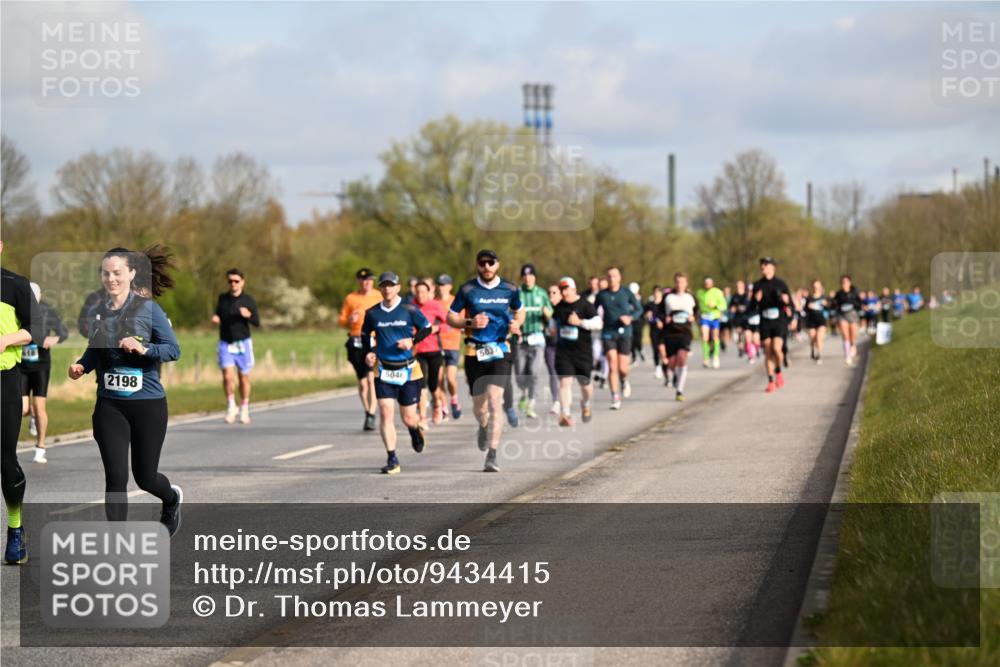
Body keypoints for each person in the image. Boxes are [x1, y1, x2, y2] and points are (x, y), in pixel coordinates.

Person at [68, 246, 183, 534]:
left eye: (117, 273)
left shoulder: (149, 309)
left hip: (148, 404)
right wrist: (82, 366)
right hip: (110, 405)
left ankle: (171, 499)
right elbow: (95, 350)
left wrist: (144, 349)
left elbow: (173, 350)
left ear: (131, 273)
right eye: (106, 273)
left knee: (145, 478)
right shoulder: (98, 311)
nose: (111, 279)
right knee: (116, 478)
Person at [446, 249, 524, 473]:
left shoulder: (510, 289)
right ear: (477, 265)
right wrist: (469, 322)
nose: (487, 267)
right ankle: (483, 425)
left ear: (498, 264)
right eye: (483, 263)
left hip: (500, 349)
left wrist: (516, 324)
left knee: (494, 400)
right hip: (475, 352)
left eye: (491, 263)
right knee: (480, 407)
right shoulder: (467, 289)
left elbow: (520, 311)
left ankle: (492, 454)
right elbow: (451, 316)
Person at [361, 272, 431, 475]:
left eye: (391, 285)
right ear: (379, 288)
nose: (387, 289)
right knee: (385, 412)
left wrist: (412, 341)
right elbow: (365, 334)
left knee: (408, 418)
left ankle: (414, 430)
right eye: (383, 285)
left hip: (408, 369)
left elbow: (427, 328)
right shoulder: (373, 313)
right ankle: (392, 458)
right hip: (383, 369)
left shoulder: (409, 309)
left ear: (398, 288)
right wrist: (369, 352)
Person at [1, 241, 34, 564]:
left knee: (5, 460)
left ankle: (15, 529)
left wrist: (5, 340)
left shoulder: (15, 284)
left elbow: (35, 328)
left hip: (4, 381)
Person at [21, 282, 69, 463]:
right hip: (21, 365)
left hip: (41, 365)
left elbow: (63, 333)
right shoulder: (19, 308)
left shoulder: (48, 310)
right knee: (22, 408)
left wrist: (52, 339)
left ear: (40, 296)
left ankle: (40, 447)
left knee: (40, 407)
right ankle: (31, 415)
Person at [212, 268, 260, 425]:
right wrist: (216, 318)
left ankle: (244, 407)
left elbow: (257, 322)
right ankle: (231, 406)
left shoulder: (248, 300)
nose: (233, 284)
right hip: (225, 342)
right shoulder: (223, 298)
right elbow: (219, 313)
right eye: (230, 281)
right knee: (227, 376)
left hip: (243, 343)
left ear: (242, 282)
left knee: (243, 377)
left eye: (236, 281)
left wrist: (248, 315)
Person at [551, 277, 601, 425]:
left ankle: (585, 403)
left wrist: (580, 322)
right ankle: (565, 414)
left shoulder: (585, 305)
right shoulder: (559, 307)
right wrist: (551, 329)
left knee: (585, 384)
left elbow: (598, 323)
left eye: (566, 289)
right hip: (564, 351)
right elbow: (553, 323)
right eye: (562, 290)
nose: (564, 293)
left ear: (574, 289)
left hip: (582, 351)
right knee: (564, 382)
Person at [339, 268, 382, 431]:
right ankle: (367, 410)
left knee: (371, 378)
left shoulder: (379, 296)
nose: (367, 283)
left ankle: (371, 414)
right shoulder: (351, 298)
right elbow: (341, 320)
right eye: (364, 280)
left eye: (370, 280)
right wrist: (349, 320)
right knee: (363, 383)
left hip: (373, 339)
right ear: (359, 281)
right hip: (356, 339)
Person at [595, 266, 643, 410]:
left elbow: (639, 309)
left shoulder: (626, 293)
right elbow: (593, 310)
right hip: (608, 332)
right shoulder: (602, 295)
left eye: (614, 276)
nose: (612, 279)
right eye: (609, 276)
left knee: (623, 368)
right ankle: (615, 396)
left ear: (619, 277)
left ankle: (624, 380)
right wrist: (595, 319)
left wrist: (630, 318)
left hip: (625, 332)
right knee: (612, 365)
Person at [514, 263, 552, 419]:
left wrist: (546, 314)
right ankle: (523, 393)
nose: (527, 278)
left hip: (537, 338)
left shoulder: (541, 294)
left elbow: (550, 315)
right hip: (520, 339)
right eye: (524, 275)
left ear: (535, 277)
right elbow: (509, 313)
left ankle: (531, 403)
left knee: (534, 372)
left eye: (530, 275)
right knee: (520, 373)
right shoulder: (517, 293)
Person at [752, 257, 792, 393]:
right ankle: (770, 381)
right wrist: (756, 300)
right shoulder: (757, 285)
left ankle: (778, 371)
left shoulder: (781, 284)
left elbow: (790, 304)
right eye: (762, 264)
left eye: (766, 264)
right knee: (768, 351)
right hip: (765, 321)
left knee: (776, 349)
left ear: (773, 267)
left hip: (779, 320)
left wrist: (787, 302)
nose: (763, 266)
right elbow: (751, 307)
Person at [413, 279, 447, 428]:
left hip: (434, 350)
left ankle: (437, 405)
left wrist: (437, 328)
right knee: (421, 384)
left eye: (423, 292)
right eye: (418, 292)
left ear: (428, 292)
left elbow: (448, 323)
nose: (420, 295)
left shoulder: (435, 305)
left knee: (433, 385)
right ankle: (423, 417)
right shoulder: (411, 306)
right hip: (418, 351)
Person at [661, 272, 697, 401]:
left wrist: (694, 317)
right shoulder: (668, 297)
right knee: (671, 363)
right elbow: (659, 312)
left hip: (685, 332)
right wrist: (664, 318)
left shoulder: (690, 297)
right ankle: (676, 374)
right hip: (670, 333)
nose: (679, 284)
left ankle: (679, 390)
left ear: (686, 283)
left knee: (682, 357)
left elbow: (697, 311)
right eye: (677, 282)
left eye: (682, 282)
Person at [434, 274, 462, 420]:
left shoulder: (456, 301)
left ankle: (454, 400)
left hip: (452, 344)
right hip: (437, 345)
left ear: (450, 286)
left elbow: (462, 321)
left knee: (451, 378)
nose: (441, 287)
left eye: (444, 284)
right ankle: (444, 407)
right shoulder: (433, 302)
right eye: (439, 284)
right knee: (438, 379)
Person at [696, 277, 727, 369]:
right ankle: (706, 359)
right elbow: (696, 304)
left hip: (714, 317)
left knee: (715, 337)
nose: (707, 285)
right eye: (706, 283)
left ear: (712, 284)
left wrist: (715, 306)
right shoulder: (699, 292)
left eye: (709, 283)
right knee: (704, 337)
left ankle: (716, 357)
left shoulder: (717, 292)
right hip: (704, 317)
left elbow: (724, 305)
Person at [833, 275, 863, 367]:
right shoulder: (839, 294)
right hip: (842, 315)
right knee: (846, 336)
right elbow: (834, 304)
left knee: (852, 336)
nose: (844, 284)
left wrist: (854, 304)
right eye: (843, 282)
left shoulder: (855, 292)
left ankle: (853, 345)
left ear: (850, 283)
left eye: (846, 282)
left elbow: (859, 303)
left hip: (853, 315)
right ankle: (847, 356)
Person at [543, 284, 562, 416]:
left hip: (564, 346)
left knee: (564, 374)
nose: (551, 295)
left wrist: (549, 317)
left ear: (560, 294)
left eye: (554, 292)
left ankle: (564, 398)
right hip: (550, 344)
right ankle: (556, 401)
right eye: (549, 292)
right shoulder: (544, 308)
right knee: (552, 372)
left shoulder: (564, 307)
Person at [803, 280, 830, 364]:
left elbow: (830, 307)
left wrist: (826, 305)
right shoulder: (809, 298)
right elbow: (805, 309)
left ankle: (819, 355)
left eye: (818, 286)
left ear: (820, 286)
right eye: (814, 286)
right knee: (813, 338)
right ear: (812, 287)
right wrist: (808, 307)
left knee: (819, 338)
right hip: (811, 321)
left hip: (821, 321)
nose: (816, 288)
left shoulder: (824, 297)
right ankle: (813, 349)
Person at [730, 280, 751, 360]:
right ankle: (740, 349)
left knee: (747, 334)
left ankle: (746, 347)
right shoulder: (734, 296)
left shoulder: (747, 296)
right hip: (737, 318)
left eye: (740, 285)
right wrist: (734, 308)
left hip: (746, 318)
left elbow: (751, 306)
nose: (739, 286)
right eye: (737, 285)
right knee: (739, 334)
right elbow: (731, 308)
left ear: (743, 286)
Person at [628, 282, 646, 363]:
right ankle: (633, 355)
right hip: (630, 322)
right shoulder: (627, 299)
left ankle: (640, 349)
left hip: (639, 322)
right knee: (631, 339)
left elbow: (642, 310)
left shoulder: (640, 299)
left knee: (638, 339)